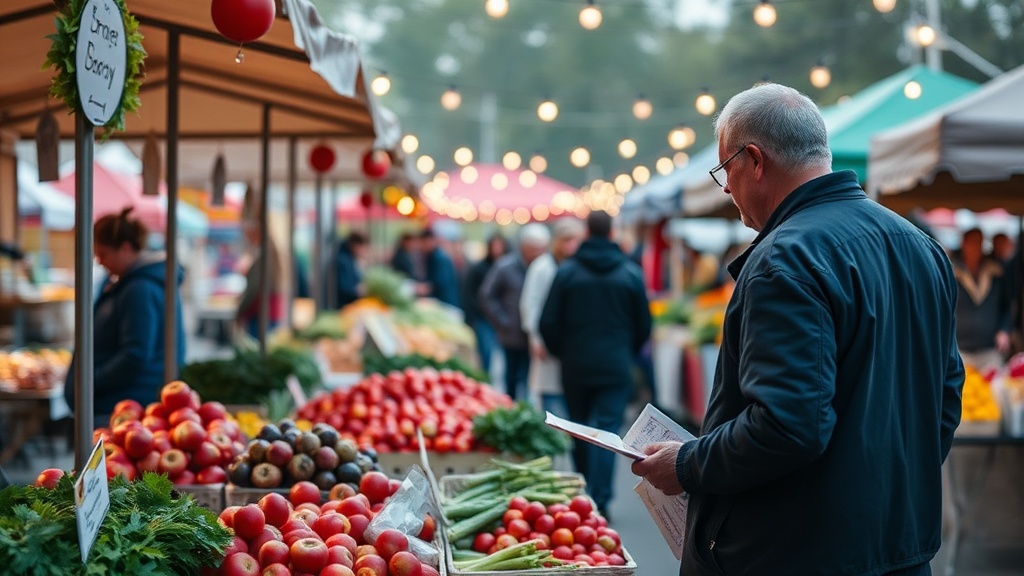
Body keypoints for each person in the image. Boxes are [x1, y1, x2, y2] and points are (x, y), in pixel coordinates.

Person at [630, 83, 963, 576]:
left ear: (755, 161)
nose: (726, 189)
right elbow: (945, 399)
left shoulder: (784, 259)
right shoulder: (919, 245)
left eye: (725, 170)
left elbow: (790, 425)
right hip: (899, 547)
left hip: (795, 551)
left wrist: (687, 465)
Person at [539, 210, 651, 517]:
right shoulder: (629, 273)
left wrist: (561, 351)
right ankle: (600, 499)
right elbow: (644, 325)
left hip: (575, 365)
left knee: (581, 429)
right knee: (607, 429)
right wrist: (627, 350)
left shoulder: (567, 272)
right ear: (612, 232)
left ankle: (584, 493)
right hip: (615, 365)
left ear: (587, 232)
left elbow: (547, 321)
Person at [64, 208, 185, 425]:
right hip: (118, 403)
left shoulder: (139, 289)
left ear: (126, 248)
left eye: (103, 254)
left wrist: (89, 382)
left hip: (121, 407)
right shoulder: (126, 283)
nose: (99, 261)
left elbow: (135, 355)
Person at [519, 217, 585, 417]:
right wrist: (536, 338)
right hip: (547, 342)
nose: (571, 245)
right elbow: (530, 304)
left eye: (575, 239)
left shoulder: (579, 266)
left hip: (572, 345)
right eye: (567, 239)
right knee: (551, 397)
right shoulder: (542, 267)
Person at [481, 224, 550, 401]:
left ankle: (525, 411)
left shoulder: (546, 268)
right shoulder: (505, 267)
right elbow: (487, 295)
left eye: (540, 249)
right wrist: (503, 321)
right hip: (512, 335)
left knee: (530, 380)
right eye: (532, 249)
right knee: (510, 378)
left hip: (535, 336)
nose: (536, 253)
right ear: (523, 247)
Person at [953, 227, 1012, 371]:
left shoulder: (995, 272)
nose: (975, 248)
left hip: (989, 349)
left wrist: (1004, 330)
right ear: (963, 244)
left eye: (979, 243)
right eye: (972, 243)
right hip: (961, 349)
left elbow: (1006, 306)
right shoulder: (952, 272)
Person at [462, 233, 508, 374]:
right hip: (484, 317)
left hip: (504, 318)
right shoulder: (479, 268)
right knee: (486, 352)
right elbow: (471, 293)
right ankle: (486, 377)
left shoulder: (509, 267)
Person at [236, 219, 284, 338]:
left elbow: (253, 288)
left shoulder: (265, 256)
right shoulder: (270, 253)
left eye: (250, 234)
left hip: (262, 313)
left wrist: (240, 312)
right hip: (269, 311)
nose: (248, 239)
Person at [418, 228, 461, 308]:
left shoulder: (439, 258)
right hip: (443, 301)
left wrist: (426, 288)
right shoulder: (432, 256)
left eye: (423, 243)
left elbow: (441, 281)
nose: (422, 246)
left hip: (446, 302)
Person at [335, 230, 369, 309]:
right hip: (343, 306)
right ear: (355, 245)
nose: (364, 251)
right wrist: (357, 290)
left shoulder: (350, 258)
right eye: (363, 248)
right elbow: (344, 287)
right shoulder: (343, 260)